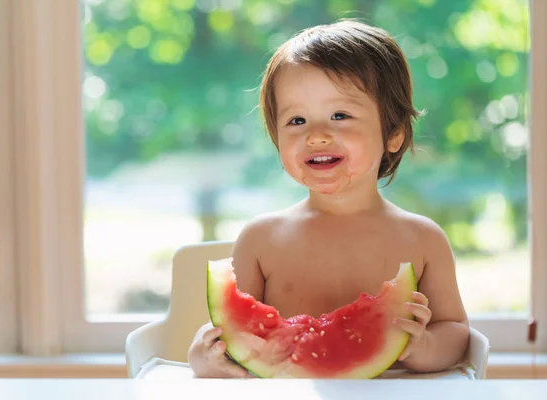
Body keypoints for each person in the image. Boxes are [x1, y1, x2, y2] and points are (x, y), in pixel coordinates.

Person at [187, 18, 469, 378]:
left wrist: (424, 347)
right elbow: (231, 336)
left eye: (340, 115)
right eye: (297, 120)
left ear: (393, 134)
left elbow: (456, 330)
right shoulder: (261, 240)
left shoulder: (424, 240)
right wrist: (203, 358)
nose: (317, 135)